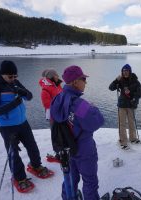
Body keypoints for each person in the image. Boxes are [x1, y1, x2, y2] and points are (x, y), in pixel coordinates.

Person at [0, 60, 50, 191]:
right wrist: (13, 104)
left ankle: (36, 166)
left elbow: (29, 96)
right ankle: (19, 177)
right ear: (3, 74)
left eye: (15, 76)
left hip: (23, 122)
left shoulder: (14, 82)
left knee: (32, 146)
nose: (13, 79)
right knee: (13, 153)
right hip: (8, 126)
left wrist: (23, 92)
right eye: (10, 77)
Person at [50, 65, 104, 200]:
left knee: (71, 178)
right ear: (75, 82)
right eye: (83, 79)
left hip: (67, 146)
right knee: (90, 181)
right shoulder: (79, 104)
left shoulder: (58, 98)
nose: (85, 82)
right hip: (83, 148)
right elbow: (97, 122)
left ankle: (68, 197)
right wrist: (93, 108)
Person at [109, 64, 141, 150]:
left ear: (130, 71)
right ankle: (123, 141)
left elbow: (139, 93)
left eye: (127, 71)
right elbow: (111, 88)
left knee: (131, 123)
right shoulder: (120, 81)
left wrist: (132, 95)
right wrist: (116, 80)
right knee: (122, 123)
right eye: (123, 71)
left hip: (131, 105)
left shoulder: (135, 81)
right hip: (122, 105)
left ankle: (133, 139)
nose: (125, 72)